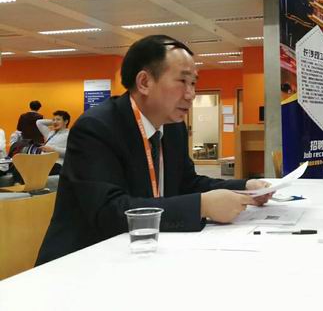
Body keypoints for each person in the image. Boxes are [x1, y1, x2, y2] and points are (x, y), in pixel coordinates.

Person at [36, 35, 271, 265]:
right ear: (144, 82)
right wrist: (201, 206)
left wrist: (245, 187)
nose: (191, 94)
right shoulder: (97, 128)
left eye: (193, 83)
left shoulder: (174, 128)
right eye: (182, 81)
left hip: (143, 254)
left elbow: (188, 183)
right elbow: (111, 211)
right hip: (83, 262)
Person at [36, 110, 71, 175]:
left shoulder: (70, 134)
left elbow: (70, 152)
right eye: (53, 120)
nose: (55, 122)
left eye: (58, 119)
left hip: (56, 164)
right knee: (19, 166)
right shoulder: (50, 133)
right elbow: (39, 122)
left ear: (66, 121)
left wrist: (53, 149)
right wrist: (55, 122)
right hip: (42, 161)